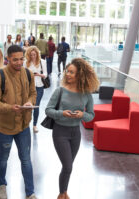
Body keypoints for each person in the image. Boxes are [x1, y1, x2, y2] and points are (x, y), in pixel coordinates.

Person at [45, 58, 99, 199]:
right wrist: (61, 113)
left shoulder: (86, 94)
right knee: (68, 166)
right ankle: (61, 194)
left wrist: (82, 115)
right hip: (60, 132)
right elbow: (48, 110)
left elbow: (91, 115)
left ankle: (64, 192)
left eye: (72, 72)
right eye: (67, 71)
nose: (67, 74)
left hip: (75, 133)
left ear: (79, 75)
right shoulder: (60, 91)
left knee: (68, 167)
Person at [0, 45, 38, 199]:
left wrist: (30, 102)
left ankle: (30, 193)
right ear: (8, 58)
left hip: (24, 125)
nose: (19, 62)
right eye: (15, 59)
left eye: (21, 59)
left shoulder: (28, 74)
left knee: (26, 159)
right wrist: (11, 108)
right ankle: (1, 185)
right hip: (5, 127)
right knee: (3, 158)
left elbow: (33, 93)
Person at [23, 46, 47, 133]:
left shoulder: (42, 62)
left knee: (36, 105)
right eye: (31, 55)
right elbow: (23, 74)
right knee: (28, 105)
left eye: (34, 54)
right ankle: (26, 123)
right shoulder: (26, 63)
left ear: (37, 54)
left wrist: (39, 75)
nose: (33, 56)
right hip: (28, 87)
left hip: (39, 86)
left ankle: (34, 125)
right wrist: (30, 75)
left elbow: (45, 74)